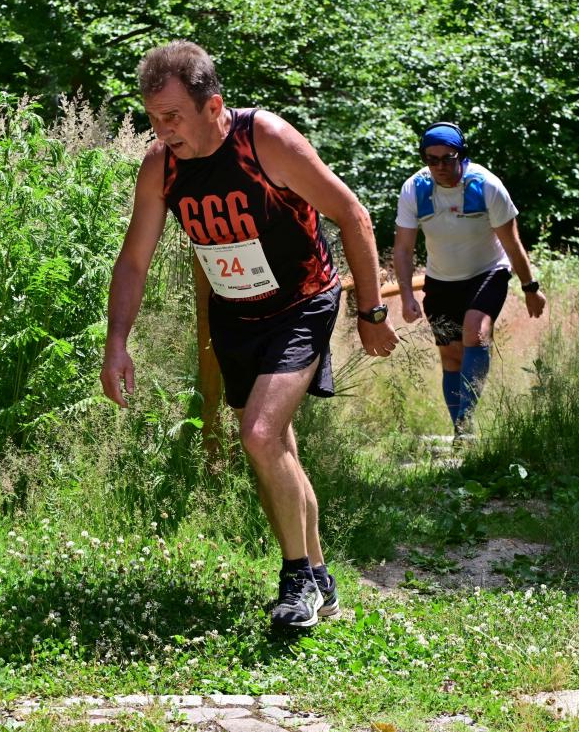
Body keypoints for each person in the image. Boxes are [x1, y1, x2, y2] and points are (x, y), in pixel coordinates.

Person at [100, 41, 398, 629]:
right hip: (235, 314)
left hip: (301, 303)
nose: (162, 131)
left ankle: (295, 581)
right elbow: (133, 260)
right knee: (274, 445)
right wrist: (117, 344)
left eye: (172, 117)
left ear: (213, 106)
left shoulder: (264, 140)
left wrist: (371, 313)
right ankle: (319, 577)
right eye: (153, 118)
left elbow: (352, 213)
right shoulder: (162, 167)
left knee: (258, 435)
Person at [392, 122, 546, 435]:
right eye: (431, 159)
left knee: (474, 333)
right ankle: (462, 434)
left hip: (488, 271)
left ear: (461, 155)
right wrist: (407, 295)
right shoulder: (415, 189)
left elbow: (512, 243)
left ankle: (465, 420)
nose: (439, 166)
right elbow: (404, 249)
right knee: (451, 356)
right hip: (441, 279)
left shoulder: (486, 185)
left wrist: (530, 288)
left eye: (447, 158)